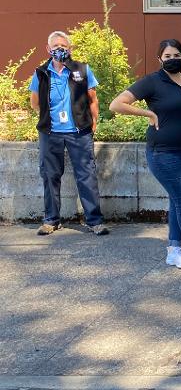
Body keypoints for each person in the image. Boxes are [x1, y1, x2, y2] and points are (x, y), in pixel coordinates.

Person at [110, 39, 181, 271]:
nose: (172, 59)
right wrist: (148, 113)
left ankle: (174, 251)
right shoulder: (152, 82)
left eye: (176, 55)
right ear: (160, 59)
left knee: (179, 200)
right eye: (167, 56)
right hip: (165, 154)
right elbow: (116, 104)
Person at [29, 31, 108, 236]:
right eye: (55, 46)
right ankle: (51, 220)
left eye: (63, 46)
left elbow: (93, 99)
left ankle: (94, 221)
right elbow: (35, 102)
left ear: (70, 48)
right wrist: (49, 117)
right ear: (48, 49)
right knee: (50, 176)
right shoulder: (41, 73)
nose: (59, 49)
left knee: (86, 175)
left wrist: (94, 122)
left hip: (79, 132)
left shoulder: (82, 70)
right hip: (50, 133)